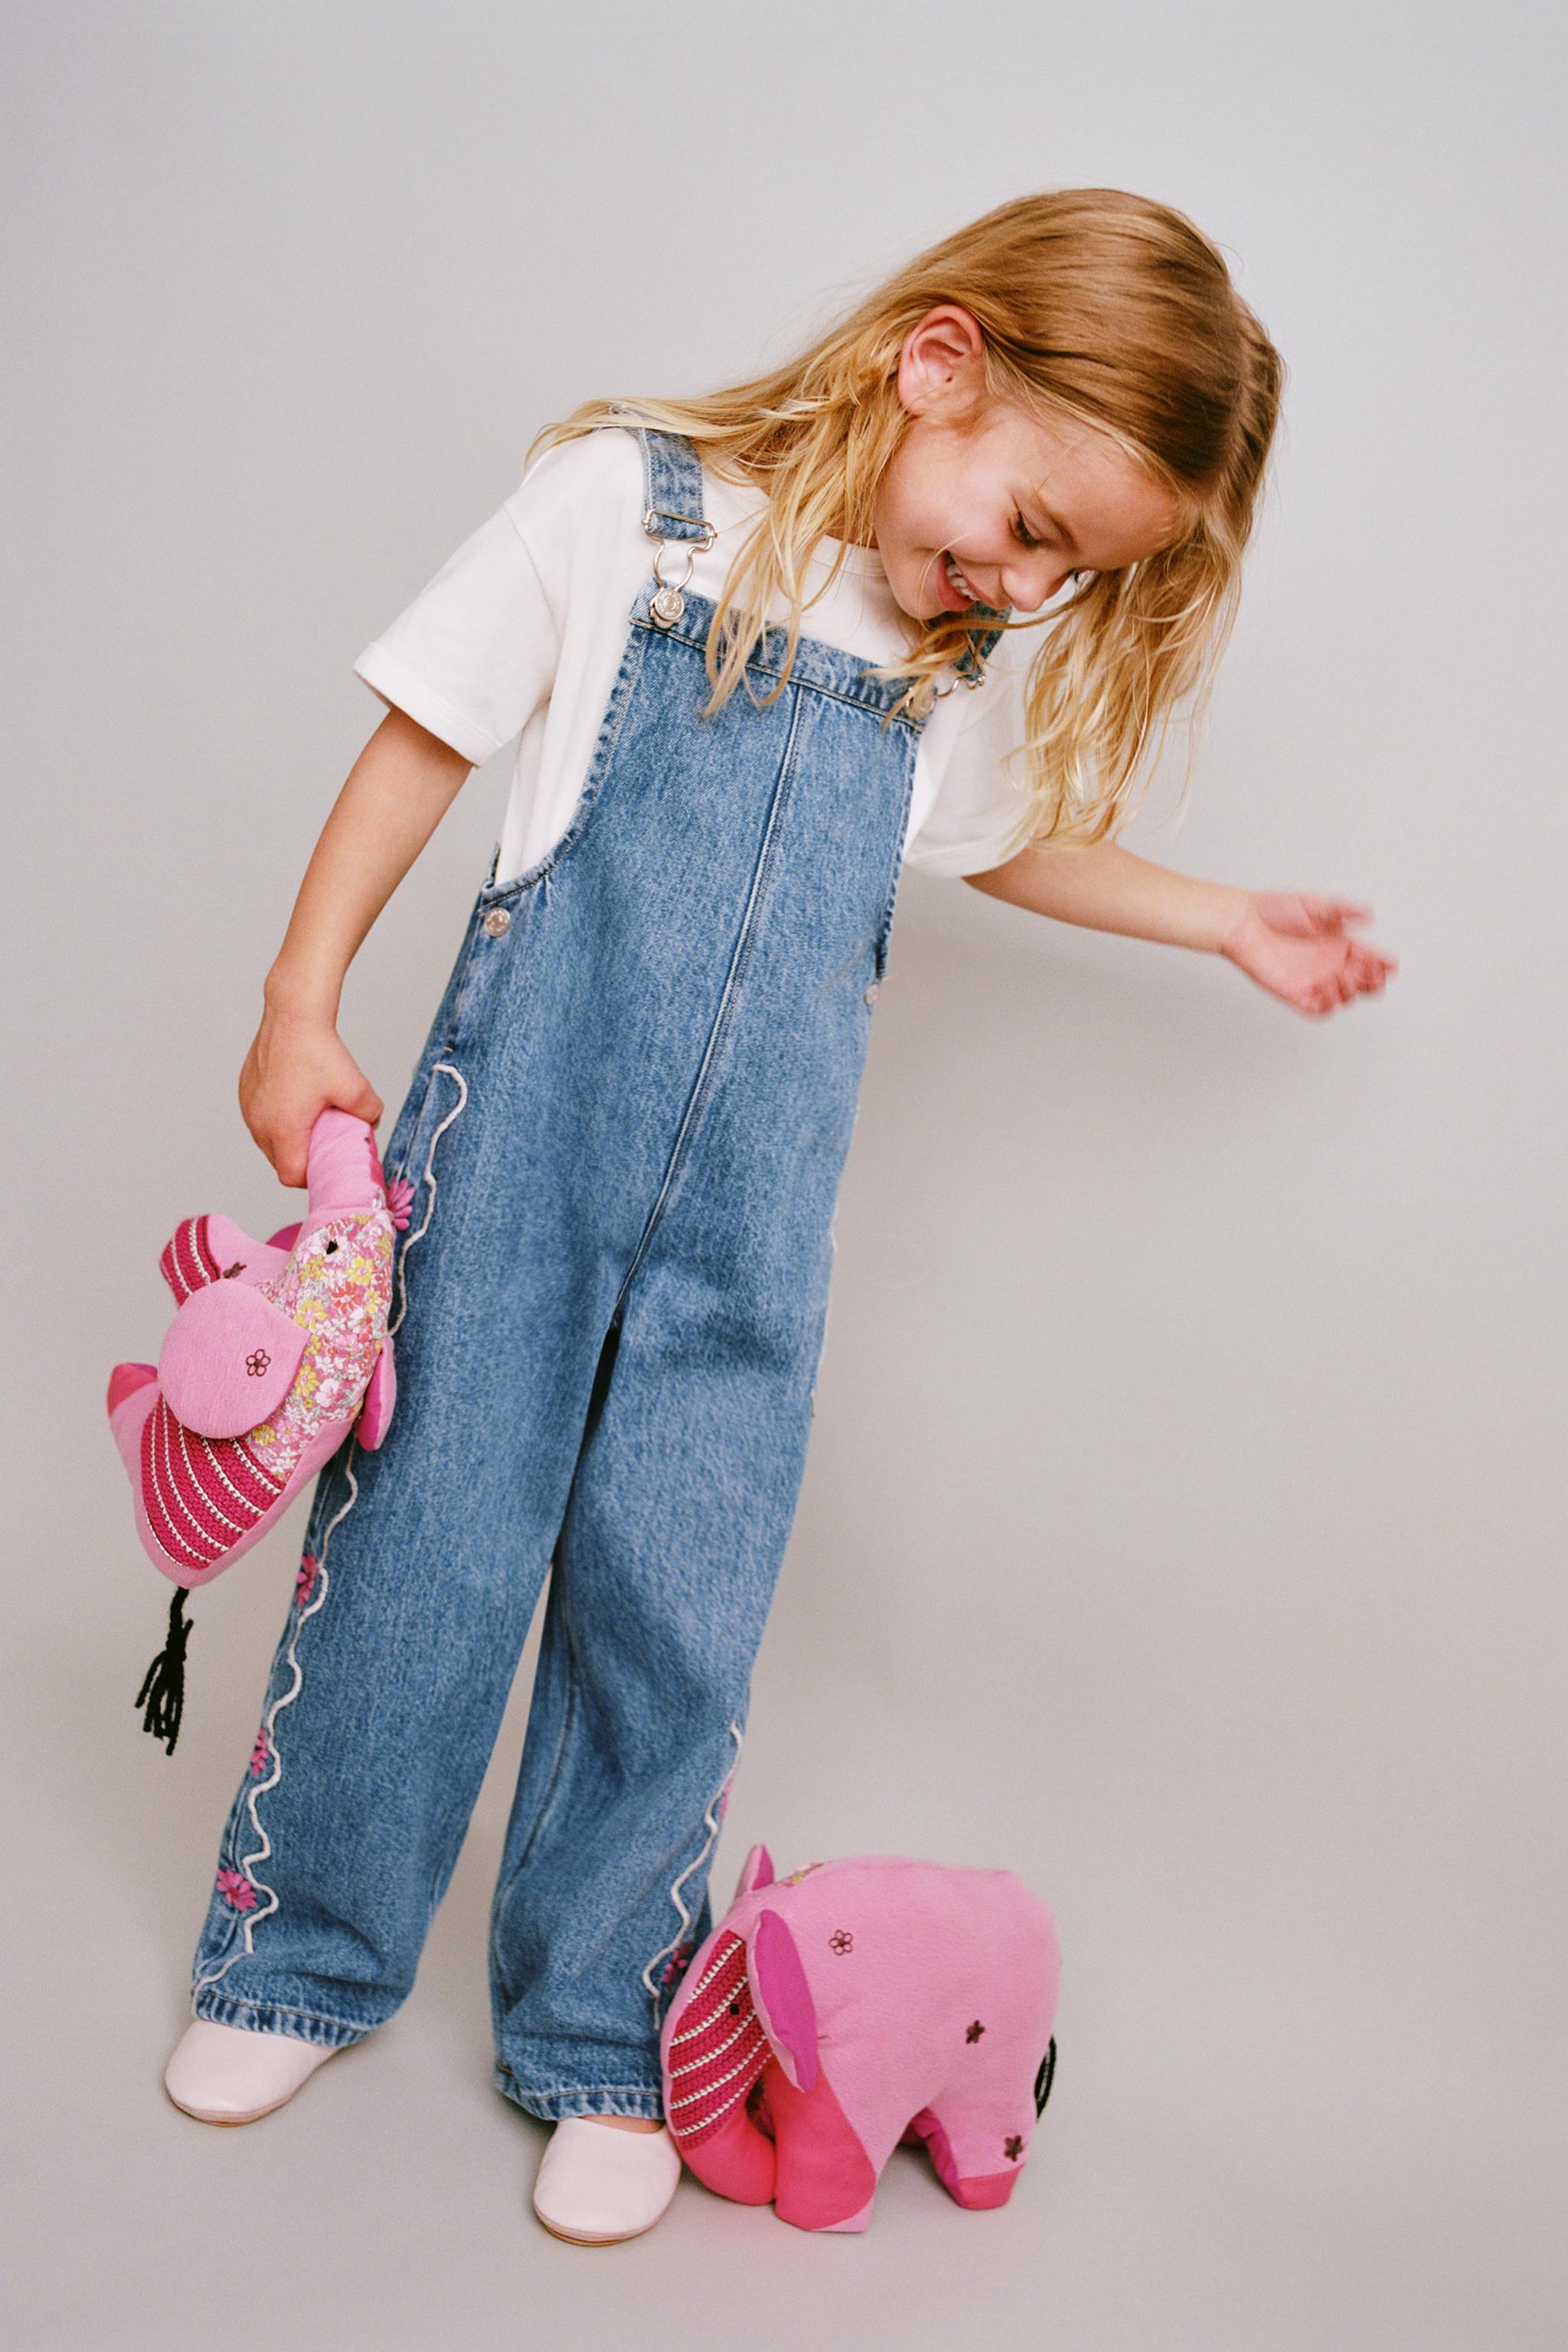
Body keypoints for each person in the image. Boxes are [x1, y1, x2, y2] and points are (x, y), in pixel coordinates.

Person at [158, 188, 1396, 2243]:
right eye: (1026, 523)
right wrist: (300, 1001)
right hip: (517, 1166)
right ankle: (304, 1952)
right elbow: (422, 739)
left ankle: (598, 2034)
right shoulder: (627, 511)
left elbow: (1001, 849)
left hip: (750, 1239)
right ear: (942, 364)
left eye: (1065, 570)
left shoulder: (942, 653)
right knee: (433, 1550)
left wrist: (1219, 919)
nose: (1014, 583)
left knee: (678, 1606)